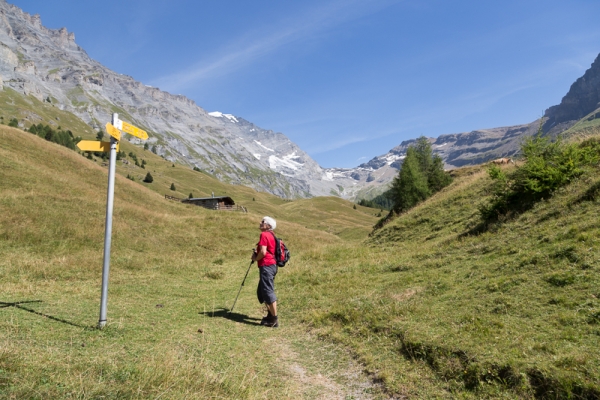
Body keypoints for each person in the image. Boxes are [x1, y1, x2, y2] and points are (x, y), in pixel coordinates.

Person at [251, 216, 279, 328]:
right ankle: (270, 315)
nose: (260, 223)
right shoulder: (272, 235)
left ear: (268, 225)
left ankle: (274, 320)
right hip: (272, 265)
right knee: (263, 291)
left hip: (266, 265)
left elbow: (263, 252)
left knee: (267, 291)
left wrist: (255, 258)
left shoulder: (264, 235)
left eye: (263, 222)